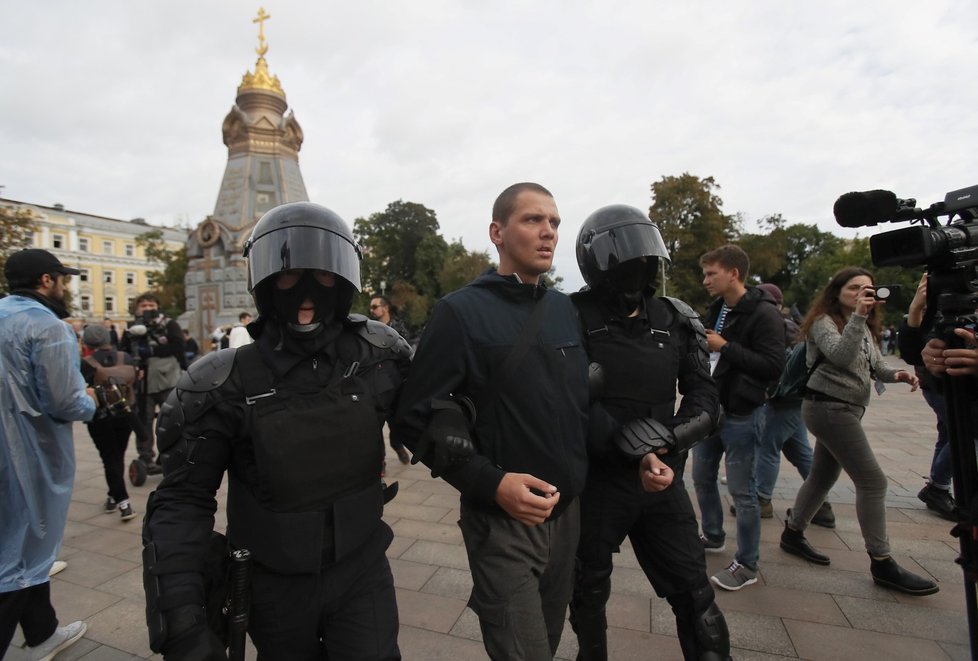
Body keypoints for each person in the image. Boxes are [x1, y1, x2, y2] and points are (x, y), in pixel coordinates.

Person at [142, 201, 410, 660]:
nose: (306, 294)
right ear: (264, 281)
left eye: (323, 276)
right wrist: (181, 620)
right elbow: (181, 502)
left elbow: (428, 417)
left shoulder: (375, 358)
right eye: (289, 275)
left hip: (362, 570)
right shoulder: (221, 382)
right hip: (273, 583)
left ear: (343, 281)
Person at [393, 182, 590, 660]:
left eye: (555, 222)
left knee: (548, 638)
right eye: (533, 220)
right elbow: (410, 418)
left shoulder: (563, 308)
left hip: (566, 519)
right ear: (497, 232)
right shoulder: (460, 312)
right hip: (502, 525)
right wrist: (492, 484)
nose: (548, 232)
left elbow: (577, 407)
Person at [568, 205, 730, 661]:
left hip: (662, 480)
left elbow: (705, 395)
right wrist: (629, 446)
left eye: (645, 260)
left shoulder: (676, 317)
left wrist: (668, 441)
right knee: (586, 589)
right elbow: (565, 397)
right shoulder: (568, 315)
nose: (638, 269)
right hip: (597, 481)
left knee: (695, 592)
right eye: (626, 262)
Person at [779, 267, 938, 595]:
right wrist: (859, 318)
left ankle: (793, 533)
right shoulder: (824, 322)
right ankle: (882, 561)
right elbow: (841, 356)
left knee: (822, 477)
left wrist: (898, 375)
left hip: (845, 409)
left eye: (867, 288)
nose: (862, 294)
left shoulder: (863, 326)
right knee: (873, 482)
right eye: (854, 288)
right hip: (828, 408)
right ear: (837, 292)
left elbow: (874, 364)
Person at [0, 249, 95, 659]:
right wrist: (89, 399)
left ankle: (42, 633)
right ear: (45, 280)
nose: (65, 286)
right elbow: (65, 402)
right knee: (19, 557)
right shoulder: (49, 327)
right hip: (30, 455)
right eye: (62, 278)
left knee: (19, 544)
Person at [693, 245, 785, 591]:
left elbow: (774, 366)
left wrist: (724, 346)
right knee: (702, 477)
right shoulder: (717, 309)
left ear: (733, 273)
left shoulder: (765, 314)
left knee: (742, 492)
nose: (705, 281)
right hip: (712, 410)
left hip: (743, 412)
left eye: (711, 274)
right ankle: (713, 535)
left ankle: (747, 563)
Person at [749, 283, 835, 527]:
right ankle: (821, 505)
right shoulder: (791, 325)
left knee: (768, 445)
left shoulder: (776, 325)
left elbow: (776, 365)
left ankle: (762, 499)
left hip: (783, 399)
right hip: (795, 399)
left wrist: (766, 390)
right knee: (799, 451)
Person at [897, 274, 955, 520]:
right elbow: (913, 352)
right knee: (967, 434)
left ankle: (938, 485)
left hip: (943, 384)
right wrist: (916, 308)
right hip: (939, 384)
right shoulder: (943, 308)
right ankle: (937, 487)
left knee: (947, 432)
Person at [120, 292, 186, 474]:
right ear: (137, 309)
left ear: (157, 306)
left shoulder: (169, 324)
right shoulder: (131, 328)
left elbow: (178, 346)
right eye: (143, 306)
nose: (148, 309)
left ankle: (169, 454)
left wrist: (152, 350)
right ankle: (145, 455)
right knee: (144, 420)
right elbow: (123, 352)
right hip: (142, 383)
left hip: (167, 379)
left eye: (151, 305)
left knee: (171, 419)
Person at [80, 324, 139, 521]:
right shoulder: (126, 357)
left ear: (86, 342)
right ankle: (112, 496)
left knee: (109, 457)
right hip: (125, 413)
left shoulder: (86, 362)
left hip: (100, 417)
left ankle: (123, 502)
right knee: (118, 455)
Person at [369, 296, 412, 464]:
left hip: (395, 382)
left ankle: (397, 445)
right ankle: (380, 461)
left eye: (374, 306)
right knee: (375, 425)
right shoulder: (368, 328)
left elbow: (405, 354)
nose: (371, 310)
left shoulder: (399, 328)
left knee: (396, 422)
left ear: (385, 308)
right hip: (375, 382)